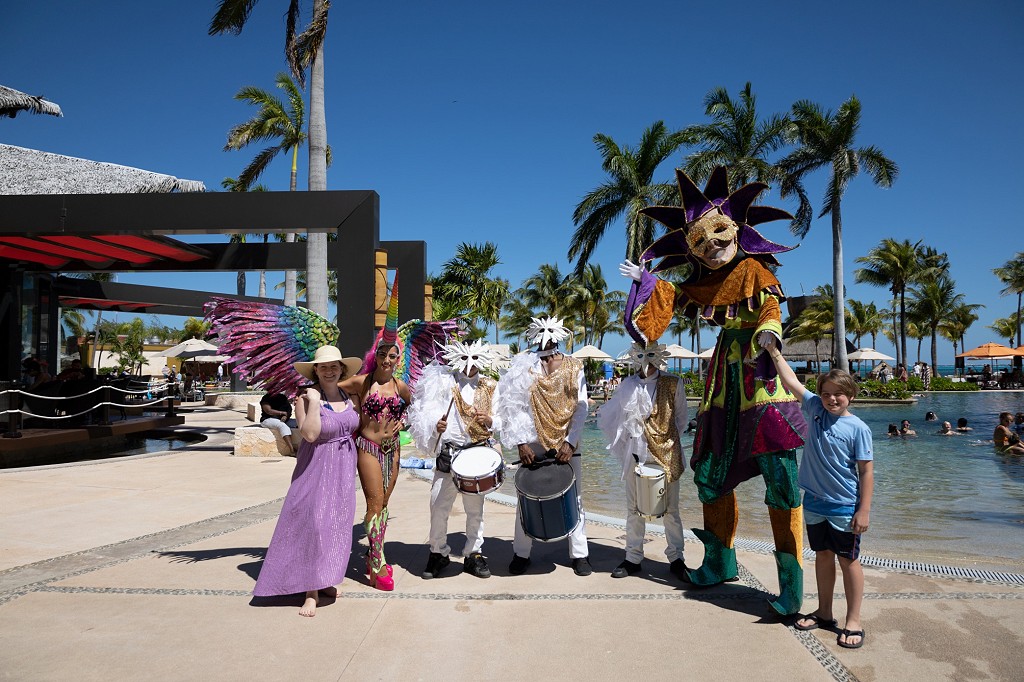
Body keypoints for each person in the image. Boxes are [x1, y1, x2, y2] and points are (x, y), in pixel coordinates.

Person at [619, 166, 808, 615]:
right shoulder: (705, 283)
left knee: (782, 483)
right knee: (710, 475)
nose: (712, 245)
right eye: (700, 241)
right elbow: (668, 298)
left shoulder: (755, 272)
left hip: (762, 391)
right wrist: (644, 284)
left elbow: (771, 307)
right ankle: (720, 561)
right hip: (723, 391)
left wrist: (768, 334)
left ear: (737, 230)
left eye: (719, 232)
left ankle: (791, 586)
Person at [767, 346, 875, 650]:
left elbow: (866, 473)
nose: (831, 399)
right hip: (814, 502)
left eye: (838, 394)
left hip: (844, 506)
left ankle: (853, 619)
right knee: (823, 556)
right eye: (826, 393)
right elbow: (791, 382)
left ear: (850, 395)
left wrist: (863, 510)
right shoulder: (814, 409)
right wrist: (775, 353)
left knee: (849, 560)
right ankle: (825, 612)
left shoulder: (859, 428)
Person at [252, 345, 363, 617]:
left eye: (334, 366)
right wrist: (314, 402)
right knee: (314, 525)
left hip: (342, 471)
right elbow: (311, 434)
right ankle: (310, 592)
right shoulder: (304, 399)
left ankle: (325, 580)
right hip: (316, 468)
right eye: (323, 366)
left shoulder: (349, 396)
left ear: (342, 369)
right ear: (315, 370)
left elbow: (354, 429)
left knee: (336, 525)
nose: (329, 370)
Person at [497, 316, 591, 576]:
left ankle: (580, 554)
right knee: (525, 496)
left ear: (558, 336)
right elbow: (514, 408)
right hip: (533, 443)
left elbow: (581, 407)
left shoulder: (574, 366)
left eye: (551, 335)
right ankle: (521, 553)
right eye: (541, 334)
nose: (546, 339)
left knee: (576, 496)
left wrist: (571, 442)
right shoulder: (525, 368)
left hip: (567, 443)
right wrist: (520, 443)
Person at [408, 339, 501, 580]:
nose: (469, 367)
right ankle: (438, 552)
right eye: (464, 360)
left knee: (475, 509)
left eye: (474, 361)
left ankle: (474, 554)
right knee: (438, 506)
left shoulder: (491, 385)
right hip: (449, 454)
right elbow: (425, 412)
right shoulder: (443, 384)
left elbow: (502, 420)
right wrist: (436, 425)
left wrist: (490, 420)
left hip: (477, 453)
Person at [597, 341, 689, 580]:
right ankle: (633, 557)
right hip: (636, 455)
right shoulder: (627, 385)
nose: (645, 360)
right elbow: (616, 419)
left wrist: (662, 440)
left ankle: (676, 558)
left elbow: (681, 420)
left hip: (667, 453)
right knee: (634, 509)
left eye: (649, 354)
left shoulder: (673, 383)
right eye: (640, 354)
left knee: (671, 510)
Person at [339, 312, 412, 592]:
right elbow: (331, 389)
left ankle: (372, 554)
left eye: (392, 356)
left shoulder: (400, 387)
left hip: (393, 451)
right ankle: (379, 561)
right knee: (373, 503)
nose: (387, 360)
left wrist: (405, 422)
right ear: (376, 354)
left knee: (383, 505)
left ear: (397, 359)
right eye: (383, 354)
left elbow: (416, 408)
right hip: (368, 449)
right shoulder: (362, 382)